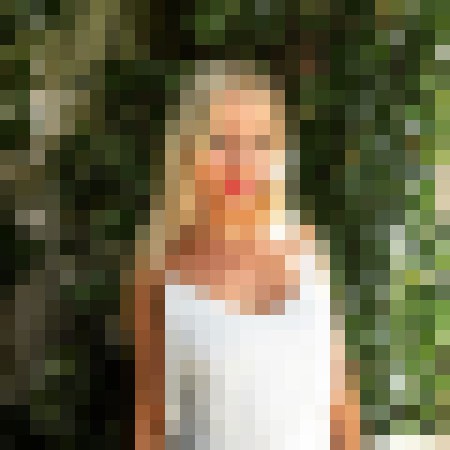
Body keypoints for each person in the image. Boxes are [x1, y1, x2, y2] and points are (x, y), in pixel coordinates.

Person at [135, 60, 359, 449]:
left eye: (259, 142)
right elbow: (152, 428)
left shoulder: (307, 248)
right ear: (188, 150)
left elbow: (340, 405)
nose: (242, 161)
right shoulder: (162, 272)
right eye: (221, 141)